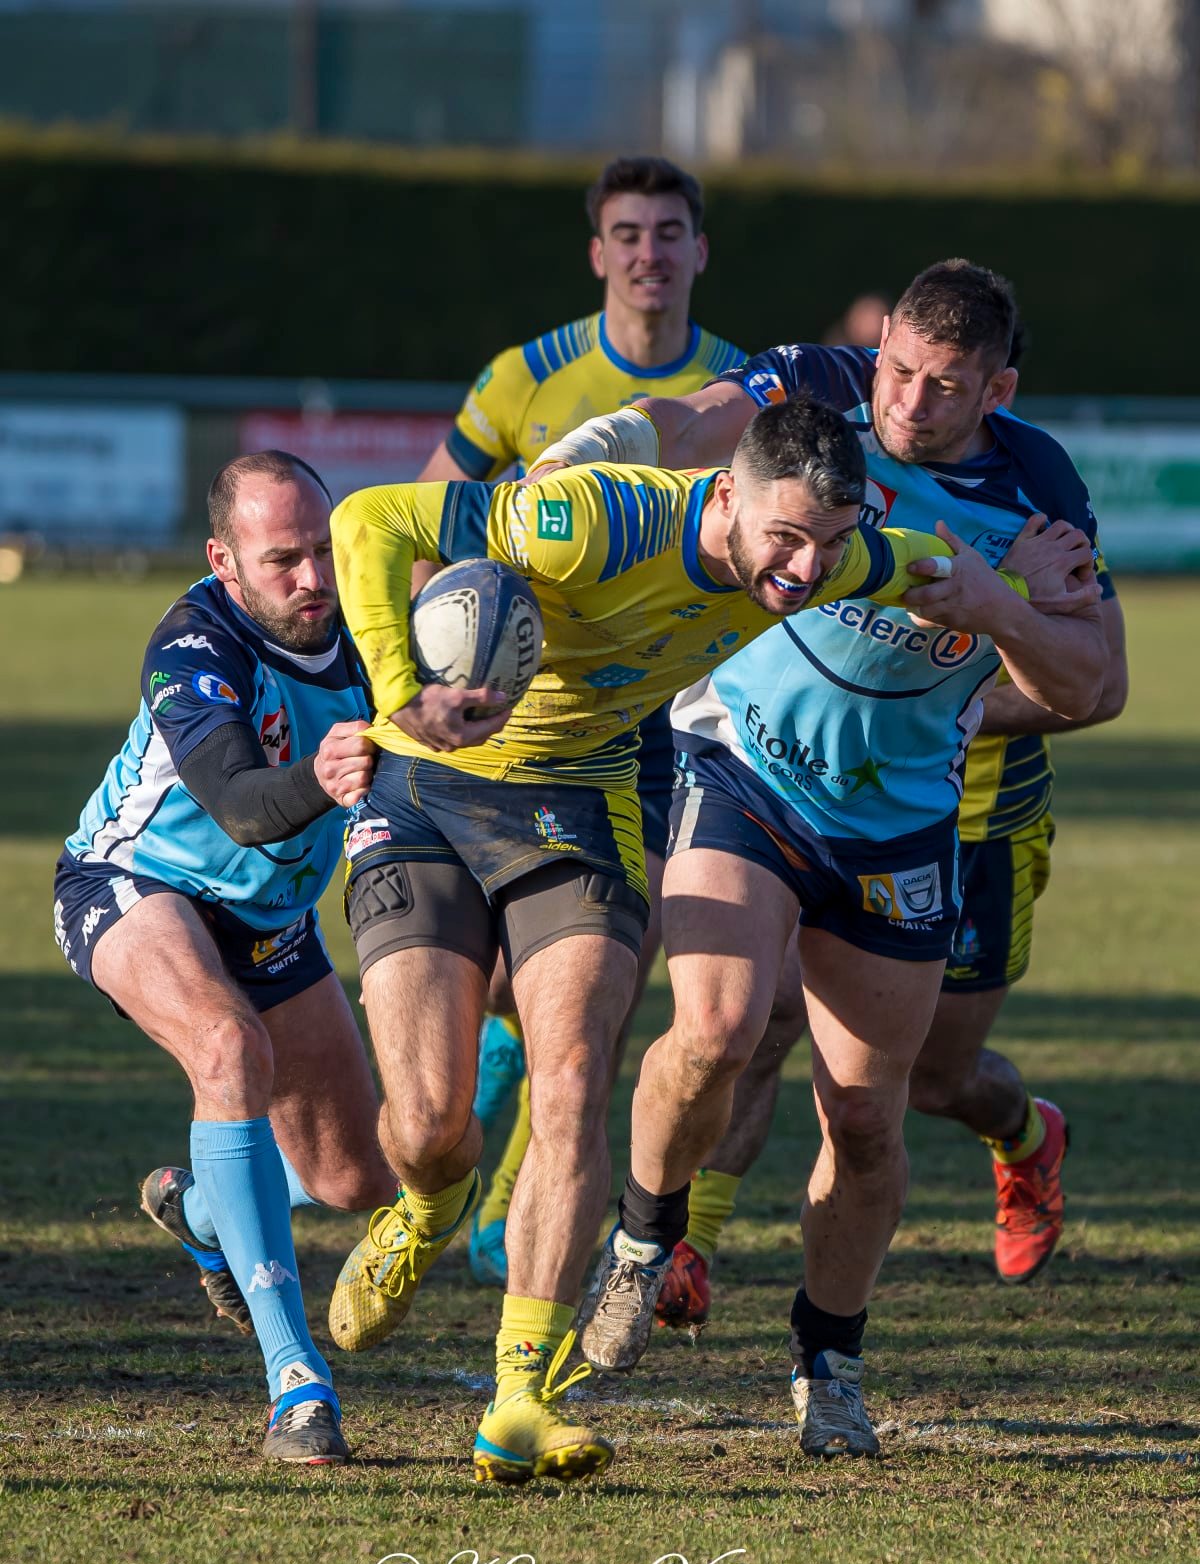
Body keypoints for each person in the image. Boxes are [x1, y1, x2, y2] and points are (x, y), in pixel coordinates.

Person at [324, 396, 1075, 1484]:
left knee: (575, 1073)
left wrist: (1023, 593)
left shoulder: (847, 553)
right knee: (433, 1128)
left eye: (829, 541)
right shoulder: (587, 522)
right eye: (785, 537)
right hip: (430, 786)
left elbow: (939, 572)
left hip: (583, 801)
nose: (807, 567)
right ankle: (431, 1203)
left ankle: (521, 1395)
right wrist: (404, 697)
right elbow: (370, 522)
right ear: (726, 495)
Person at [529, 262, 1112, 1454]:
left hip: (898, 822)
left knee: (866, 1116)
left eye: (945, 386)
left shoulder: (1037, 485)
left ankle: (829, 1360)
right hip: (742, 768)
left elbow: (1095, 686)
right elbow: (691, 420)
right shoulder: (819, 389)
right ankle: (644, 1238)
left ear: (996, 387)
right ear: (880, 341)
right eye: (898, 365)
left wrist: (1003, 610)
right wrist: (594, 445)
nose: (907, 400)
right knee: (716, 1025)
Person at [417, 155, 746, 1288]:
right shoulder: (526, 377)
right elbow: (432, 521)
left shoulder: (737, 392)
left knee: (613, 962)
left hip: (670, 715)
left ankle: (511, 1207)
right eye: (628, 232)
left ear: (700, 251)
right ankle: (473, 1136)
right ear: (597, 252)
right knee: (517, 986)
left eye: (669, 232)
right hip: (527, 713)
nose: (649, 252)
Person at [52, 451, 396, 1465]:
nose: (312, 579)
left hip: (271, 918)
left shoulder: (374, 630)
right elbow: (244, 805)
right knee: (225, 1044)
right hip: (132, 884)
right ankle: (297, 1381)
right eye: (281, 557)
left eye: (324, 550)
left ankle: (204, 1209)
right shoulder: (194, 637)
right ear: (225, 560)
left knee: (356, 1175)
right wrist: (323, 774)